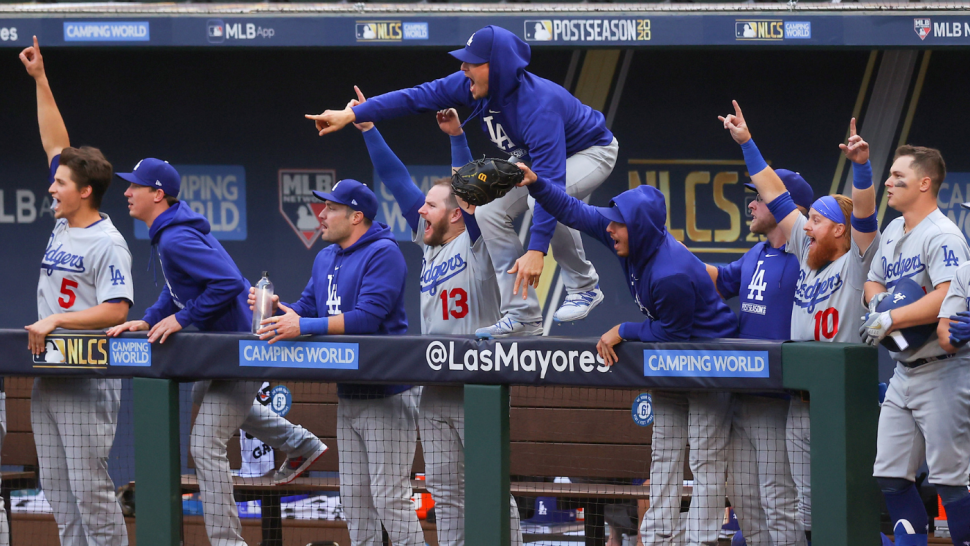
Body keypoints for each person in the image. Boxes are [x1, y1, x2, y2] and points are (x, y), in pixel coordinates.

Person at [307, 25, 619, 337]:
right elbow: (416, 96)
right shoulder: (470, 86)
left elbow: (550, 182)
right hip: (534, 159)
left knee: (544, 196)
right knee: (486, 210)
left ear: (497, 67)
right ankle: (522, 315)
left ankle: (583, 286)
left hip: (592, 152)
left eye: (472, 62)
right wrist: (353, 114)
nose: (463, 67)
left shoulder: (539, 105)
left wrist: (536, 250)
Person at [514, 160, 738, 545]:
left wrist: (624, 329)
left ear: (641, 229)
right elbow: (574, 210)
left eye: (619, 224)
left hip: (709, 363)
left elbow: (673, 335)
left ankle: (701, 540)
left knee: (705, 460)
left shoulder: (670, 273)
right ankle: (657, 540)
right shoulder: (627, 234)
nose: (611, 229)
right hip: (672, 363)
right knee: (664, 457)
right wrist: (536, 185)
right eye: (613, 222)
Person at [105, 159, 327, 546]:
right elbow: (178, 286)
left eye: (134, 186)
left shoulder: (175, 237)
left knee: (204, 443)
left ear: (157, 194)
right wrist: (152, 318)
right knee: (203, 399)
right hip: (225, 352)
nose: (126, 192)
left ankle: (228, 542)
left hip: (240, 349)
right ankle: (300, 443)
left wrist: (182, 318)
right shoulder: (170, 231)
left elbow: (227, 283)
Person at [347, 86, 523, 545]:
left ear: (458, 214)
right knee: (444, 490)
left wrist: (457, 139)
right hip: (435, 384)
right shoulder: (428, 243)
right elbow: (396, 179)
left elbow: (468, 191)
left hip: (478, 382)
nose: (420, 209)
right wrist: (368, 127)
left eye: (431, 205)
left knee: (490, 487)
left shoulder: (475, 240)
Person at [720, 102, 880, 545]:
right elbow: (775, 194)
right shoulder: (806, 258)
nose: (805, 226)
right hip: (802, 395)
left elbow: (865, 217)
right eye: (806, 220)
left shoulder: (856, 265)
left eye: (816, 220)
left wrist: (862, 169)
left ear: (839, 232)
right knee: (803, 504)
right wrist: (747, 142)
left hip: (841, 394)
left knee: (836, 498)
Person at [251, 179, 424, 546]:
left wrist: (302, 325)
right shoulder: (325, 257)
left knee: (389, 498)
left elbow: (366, 319)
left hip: (387, 392)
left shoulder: (383, 253)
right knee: (355, 501)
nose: (322, 214)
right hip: (349, 394)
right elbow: (308, 309)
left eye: (331, 208)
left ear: (356, 216)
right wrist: (278, 310)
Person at [20, 35, 133, 546]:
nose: (52, 187)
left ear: (84, 191)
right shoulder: (64, 223)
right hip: (50, 375)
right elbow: (56, 146)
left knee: (90, 494)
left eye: (61, 184)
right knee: (59, 495)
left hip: (86, 375)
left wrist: (57, 320)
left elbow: (116, 309)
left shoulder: (108, 242)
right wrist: (41, 79)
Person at [862, 145, 970, 546]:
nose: (888, 182)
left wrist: (892, 318)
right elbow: (872, 281)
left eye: (897, 177)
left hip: (944, 368)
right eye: (889, 176)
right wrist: (880, 304)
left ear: (924, 183)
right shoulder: (894, 230)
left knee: (951, 481)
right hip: (903, 371)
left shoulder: (943, 235)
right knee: (890, 476)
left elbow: (948, 295)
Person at [704, 170, 813, 546]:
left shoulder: (806, 257)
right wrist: (662, 248)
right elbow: (718, 278)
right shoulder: (757, 251)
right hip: (740, 396)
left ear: (788, 207)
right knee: (747, 503)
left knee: (778, 499)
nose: (750, 203)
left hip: (777, 401)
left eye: (760, 198)